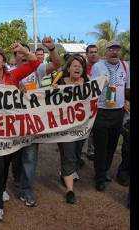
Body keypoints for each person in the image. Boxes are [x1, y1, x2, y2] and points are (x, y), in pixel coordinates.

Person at [0, 44, 40, 221]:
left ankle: (2, 188)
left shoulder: (13, 75)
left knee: (5, 164)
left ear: (4, 61)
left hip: (11, 132)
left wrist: (23, 50)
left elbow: (35, 63)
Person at [16, 37, 61, 208]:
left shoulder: (39, 69)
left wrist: (52, 49)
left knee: (30, 156)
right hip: (12, 123)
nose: (23, 56)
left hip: (33, 122)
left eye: (26, 52)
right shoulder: (9, 72)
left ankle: (26, 189)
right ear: (15, 58)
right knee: (13, 157)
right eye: (19, 53)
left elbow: (56, 64)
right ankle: (16, 182)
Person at [91, 40, 130, 192]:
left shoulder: (126, 66)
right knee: (101, 146)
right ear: (105, 52)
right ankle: (99, 177)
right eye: (111, 49)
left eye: (117, 50)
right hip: (101, 111)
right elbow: (92, 88)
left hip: (118, 112)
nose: (114, 52)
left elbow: (127, 89)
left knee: (112, 146)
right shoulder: (98, 66)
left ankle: (105, 170)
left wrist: (126, 102)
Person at [53, 54, 90, 204]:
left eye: (80, 66)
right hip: (64, 128)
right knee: (68, 154)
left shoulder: (88, 83)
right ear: (68, 68)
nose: (77, 68)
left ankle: (65, 173)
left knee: (76, 154)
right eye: (74, 65)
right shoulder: (60, 82)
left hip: (81, 127)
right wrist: (53, 90)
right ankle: (70, 190)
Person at [82, 44, 100, 161]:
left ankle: (91, 150)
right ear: (87, 54)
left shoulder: (103, 67)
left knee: (95, 129)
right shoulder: (82, 68)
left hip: (100, 103)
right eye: (91, 52)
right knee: (85, 128)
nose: (93, 54)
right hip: (85, 104)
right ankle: (82, 155)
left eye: (95, 52)